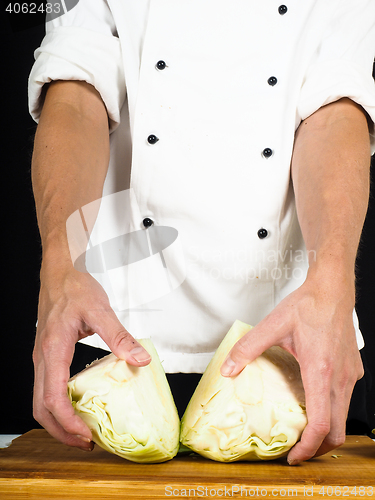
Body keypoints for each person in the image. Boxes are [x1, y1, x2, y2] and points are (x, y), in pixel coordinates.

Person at [28, 0, 375, 464]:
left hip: (294, 344)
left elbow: (336, 107)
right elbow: (73, 91)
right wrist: (60, 266)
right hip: (116, 339)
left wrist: (332, 284)